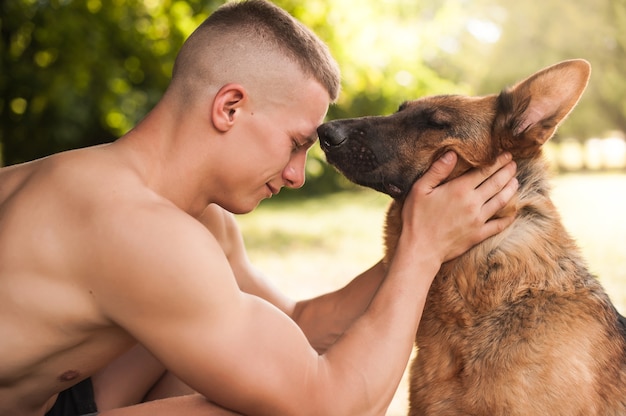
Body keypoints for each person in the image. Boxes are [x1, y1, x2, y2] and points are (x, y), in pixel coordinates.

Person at [0, 1, 519, 415]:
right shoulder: (132, 228)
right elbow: (329, 406)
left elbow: (298, 322)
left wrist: (429, 236)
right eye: (295, 143)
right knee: (266, 406)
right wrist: (422, 254)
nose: (296, 175)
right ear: (230, 107)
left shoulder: (188, 216)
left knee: (254, 366)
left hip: (53, 398)